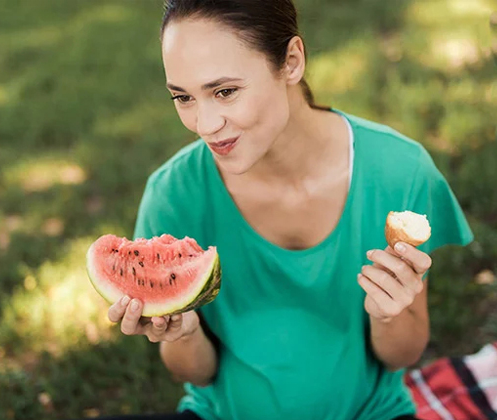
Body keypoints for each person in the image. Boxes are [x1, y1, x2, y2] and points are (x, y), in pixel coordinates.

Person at [96, 0, 473, 419]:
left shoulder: (399, 170)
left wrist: (390, 314)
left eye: (224, 92)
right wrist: (181, 334)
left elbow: (402, 355)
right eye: (183, 97)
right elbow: (197, 375)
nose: (205, 124)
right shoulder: (172, 193)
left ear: (291, 61)